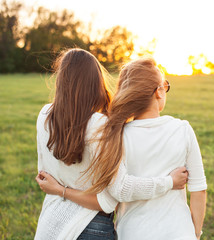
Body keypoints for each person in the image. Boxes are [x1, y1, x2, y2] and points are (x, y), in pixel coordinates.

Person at [34, 49, 188, 240]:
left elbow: (44, 175)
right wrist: (169, 182)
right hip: (92, 227)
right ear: (95, 82)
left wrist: (59, 190)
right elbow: (110, 199)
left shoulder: (44, 116)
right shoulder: (99, 125)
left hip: (51, 223)